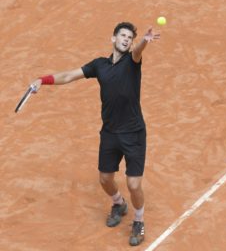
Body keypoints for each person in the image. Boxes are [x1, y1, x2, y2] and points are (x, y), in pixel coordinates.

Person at [30, 22, 160, 246]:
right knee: (105, 179)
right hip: (109, 133)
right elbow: (70, 75)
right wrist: (43, 79)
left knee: (134, 184)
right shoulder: (99, 65)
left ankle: (139, 221)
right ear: (113, 39)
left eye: (130, 37)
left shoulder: (132, 62)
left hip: (133, 134)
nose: (126, 40)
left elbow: (138, 51)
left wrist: (143, 42)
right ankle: (118, 204)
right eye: (123, 36)